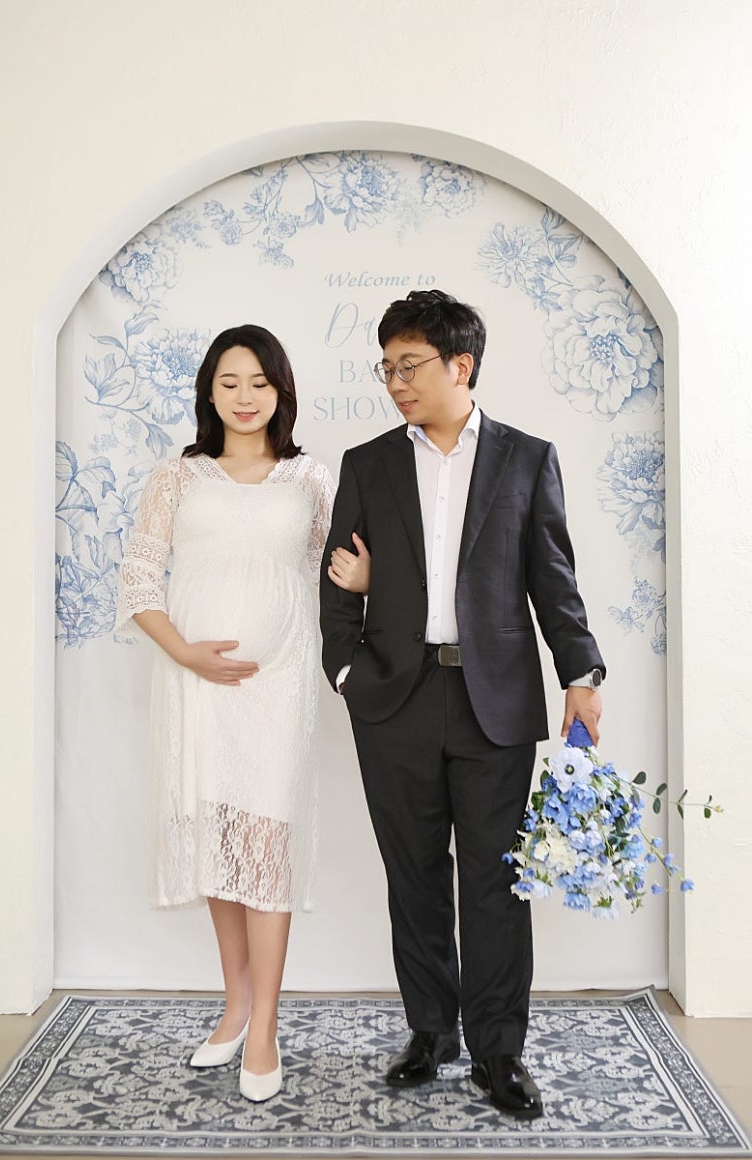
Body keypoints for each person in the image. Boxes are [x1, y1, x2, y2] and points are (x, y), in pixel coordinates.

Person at [319, 289, 605, 1120]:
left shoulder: (525, 459)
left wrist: (581, 675)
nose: (394, 382)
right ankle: (430, 1033)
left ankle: (498, 1051)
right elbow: (336, 585)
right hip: (393, 700)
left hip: (496, 701)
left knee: (494, 883)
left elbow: (553, 580)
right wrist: (346, 673)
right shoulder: (367, 463)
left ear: (460, 365)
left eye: (409, 366)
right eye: (385, 368)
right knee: (412, 876)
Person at [116, 325, 363, 1102]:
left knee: (265, 846)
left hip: (278, 683)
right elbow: (137, 580)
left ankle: (265, 1030)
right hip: (195, 684)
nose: (244, 397)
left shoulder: (310, 478)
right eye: (229, 382)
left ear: (281, 391)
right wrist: (185, 653)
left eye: (259, 382)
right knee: (219, 840)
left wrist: (362, 583)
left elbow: (334, 572)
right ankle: (235, 1004)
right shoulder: (177, 477)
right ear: (209, 392)